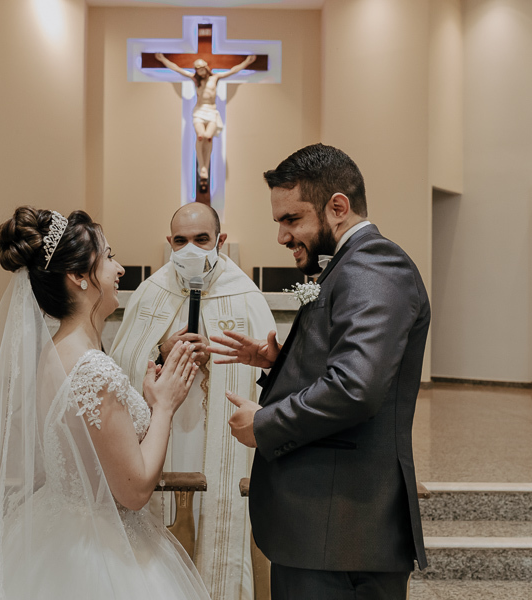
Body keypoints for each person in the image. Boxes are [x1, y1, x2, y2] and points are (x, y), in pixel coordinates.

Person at [0, 207, 211, 599]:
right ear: (79, 277)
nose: (119, 270)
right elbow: (133, 492)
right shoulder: (92, 370)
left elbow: (91, 455)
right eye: (110, 257)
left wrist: (149, 401)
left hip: (54, 529)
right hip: (98, 554)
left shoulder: (54, 353)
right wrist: (164, 406)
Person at [210, 144, 430, 600]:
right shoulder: (350, 266)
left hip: (342, 532)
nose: (282, 236)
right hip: (325, 532)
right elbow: (347, 362)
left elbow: (355, 387)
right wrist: (283, 361)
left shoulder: (374, 265)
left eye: (292, 219)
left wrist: (265, 423)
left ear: (337, 207)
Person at [110, 202, 276, 600]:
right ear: (169, 242)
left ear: (220, 241)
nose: (190, 249)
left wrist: (215, 361)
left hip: (218, 440)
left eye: (201, 240)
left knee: (217, 519)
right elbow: (118, 368)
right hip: (163, 440)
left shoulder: (245, 295)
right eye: (180, 241)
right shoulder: (152, 291)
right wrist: (163, 351)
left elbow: (268, 375)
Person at [155, 53, 256, 192]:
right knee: (200, 136)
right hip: (199, 111)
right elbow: (177, 69)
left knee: (208, 138)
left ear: (206, 68)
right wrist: (163, 59)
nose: (200, 72)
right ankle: (201, 167)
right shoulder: (195, 80)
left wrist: (247, 62)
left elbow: (233, 70)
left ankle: (205, 167)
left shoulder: (215, 78)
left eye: (202, 69)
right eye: (197, 70)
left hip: (212, 111)